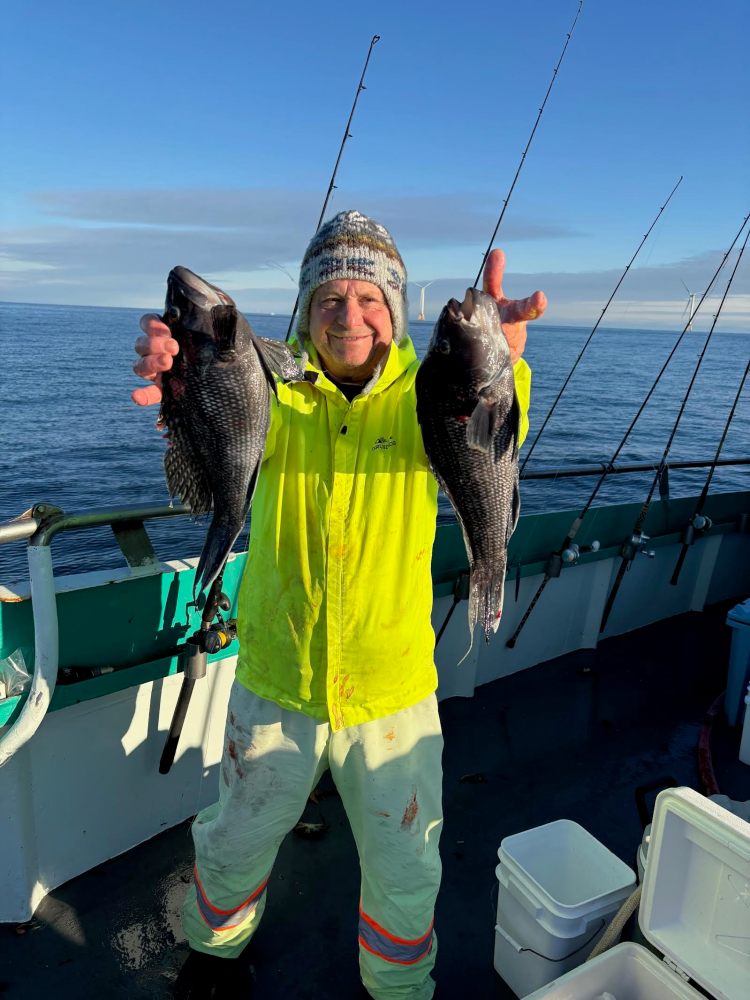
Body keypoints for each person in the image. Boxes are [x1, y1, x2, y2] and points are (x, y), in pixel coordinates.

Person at [133, 211, 546, 999]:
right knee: (234, 839)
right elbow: (222, 407)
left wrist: (505, 361)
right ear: (305, 310)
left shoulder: (427, 395)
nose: (349, 315)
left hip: (393, 690)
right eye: (328, 298)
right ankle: (213, 952)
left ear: (396, 311)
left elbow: (485, 432)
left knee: (407, 861)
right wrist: (182, 375)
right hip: (276, 677)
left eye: (370, 299)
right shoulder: (270, 392)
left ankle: (398, 988)